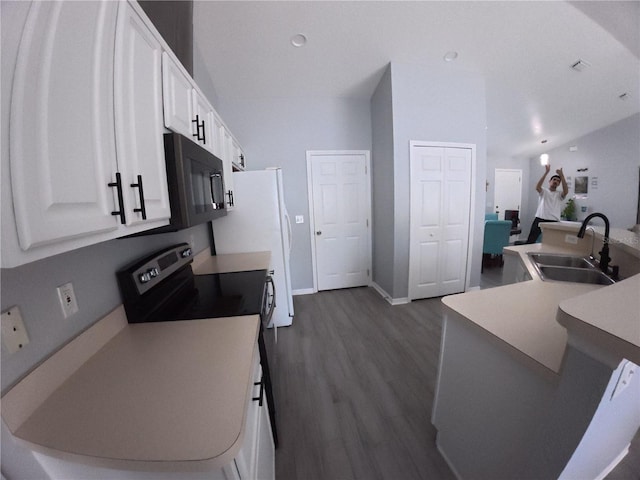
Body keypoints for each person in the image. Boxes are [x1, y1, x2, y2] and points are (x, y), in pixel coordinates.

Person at [525, 164, 569, 244]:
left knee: (551, 243)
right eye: (554, 180)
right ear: (550, 181)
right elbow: (537, 187)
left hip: (553, 221)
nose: (556, 181)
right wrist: (546, 172)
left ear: (559, 184)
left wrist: (562, 176)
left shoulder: (559, 194)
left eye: (558, 181)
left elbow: (566, 191)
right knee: (531, 240)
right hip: (540, 218)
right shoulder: (544, 191)